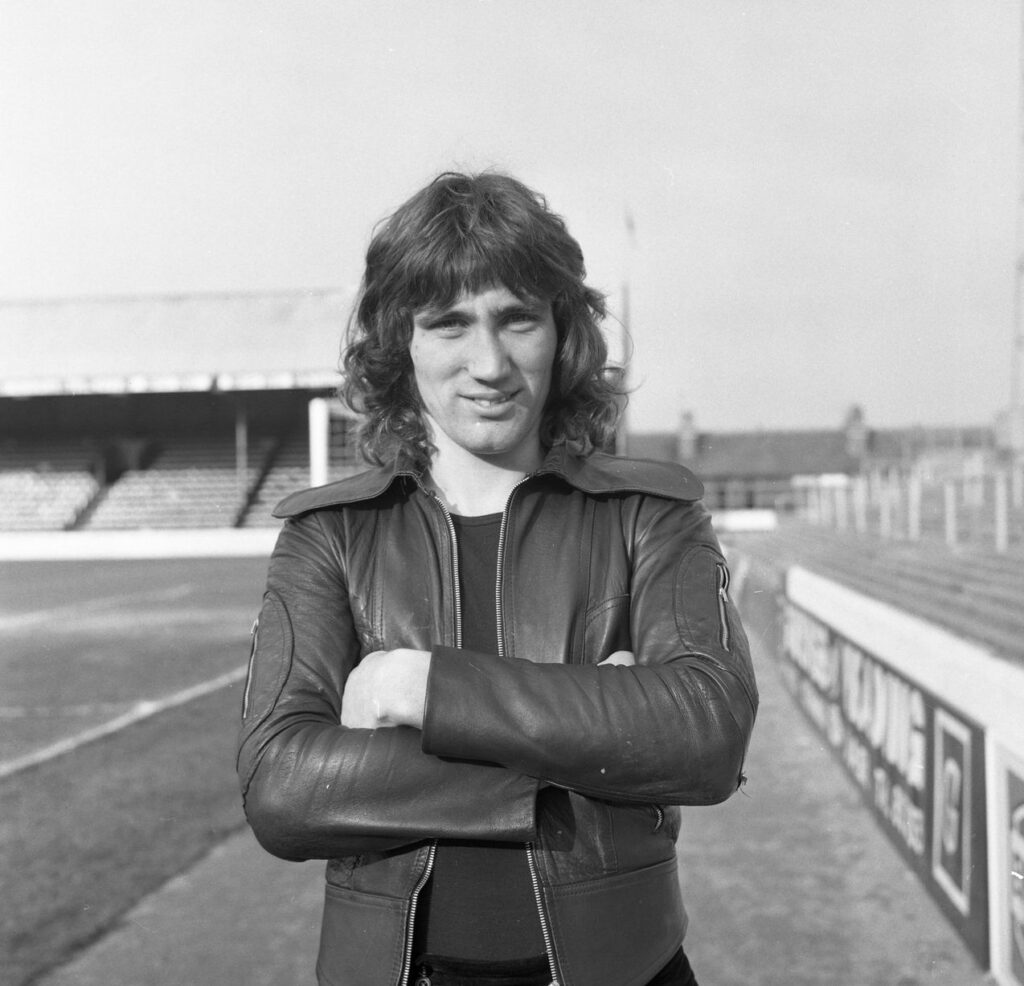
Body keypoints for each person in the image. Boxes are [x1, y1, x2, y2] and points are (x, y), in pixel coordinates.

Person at [237, 171, 758, 986]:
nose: (489, 363)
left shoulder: (649, 514)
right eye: (449, 323)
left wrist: (422, 689)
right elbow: (281, 789)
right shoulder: (329, 535)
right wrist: (593, 735)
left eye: (518, 319)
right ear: (401, 343)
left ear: (562, 332)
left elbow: (708, 735)